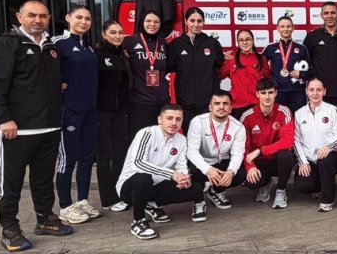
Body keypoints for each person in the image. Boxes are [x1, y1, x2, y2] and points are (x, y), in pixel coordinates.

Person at [0, 0, 74, 251]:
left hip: (49, 127)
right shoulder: (6, 44)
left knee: (43, 178)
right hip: (16, 130)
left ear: (49, 18)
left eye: (42, 16)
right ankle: (10, 228)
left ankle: (45, 218)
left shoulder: (50, 47)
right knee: (10, 182)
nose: (37, 20)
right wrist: (3, 118)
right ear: (20, 17)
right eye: (32, 15)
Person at [116, 104, 203, 240]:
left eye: (178, 119)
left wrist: (184, 178)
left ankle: (151, 205)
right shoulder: (147, 133)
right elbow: (138, 163)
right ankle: (138, 221)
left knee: (195, 188)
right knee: (144, 178)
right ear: (160, 119)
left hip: (156, 187)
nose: (174, 123)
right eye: (169, 118)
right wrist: (172, 174)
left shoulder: (181, 140)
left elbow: (181, 166)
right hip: (130, 187)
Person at [52, 6, 101, 225]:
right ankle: (65, 206)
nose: (83, 21)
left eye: (87, 18)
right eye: (79, 17)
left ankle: (82, 200)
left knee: (86, 158)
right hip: (69, 109)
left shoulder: (88, 46)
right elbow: (46, 69)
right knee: (67, 159)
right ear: (68, 18)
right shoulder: (58, 43)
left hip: (89, 109)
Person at [186, 91, 247, 221]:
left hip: (222, 161)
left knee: (241, 172)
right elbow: (191, 151)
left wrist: (230, 172)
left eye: (225, 104)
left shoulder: (238, 127)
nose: (221, 107)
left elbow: (237, 154)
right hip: (202, 162)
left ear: (230, 108)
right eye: (217, 103)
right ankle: (198, 201)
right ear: (210, 107)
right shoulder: (198, 122)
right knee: (193, 170)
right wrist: (208, 169)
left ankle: (216, 191)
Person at [240, 78, 298, 209]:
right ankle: (265, 183)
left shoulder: (284, 111)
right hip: (259, 161)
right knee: (251, 183)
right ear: (257, 94)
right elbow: (244, 147)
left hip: (277, 161)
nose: (267, 96)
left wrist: (261, 149)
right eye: (263, 93)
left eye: (270, 92)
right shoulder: (247, 116)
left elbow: (288, 142)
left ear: (276, 93)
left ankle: (281, 190)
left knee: (285, 155)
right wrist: (250, 167)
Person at [95, 19, 132, 212]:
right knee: (104, 155)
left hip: (120, 112)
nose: (117, 36)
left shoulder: (123, 55)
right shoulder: (97, 54)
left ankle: (120, 192)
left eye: (120, 32)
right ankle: (108, 199)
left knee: (120, 154)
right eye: (113, 32)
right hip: (101, 111)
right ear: (104, 34)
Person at [167, 6, 224, 129]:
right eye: (192, 20)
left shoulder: (212, 43)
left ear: (204, 22)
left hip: (208, 105)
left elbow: (222, 65)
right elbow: (167, 66)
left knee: (209, 138)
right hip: (185, 104)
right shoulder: (176, 44)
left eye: (199, 21)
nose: (196, 24)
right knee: (190, 137)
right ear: (186, 21)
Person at [294, 78, 337, 212]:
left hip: (331, 156)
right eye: (311, 90)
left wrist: (328, 147)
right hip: (310, 158)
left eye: (319, 90)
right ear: (306, 91)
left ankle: (328, 200)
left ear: (324, 91)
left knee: (325, 161)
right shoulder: (299, 113)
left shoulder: (333, 110)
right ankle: (320, 186)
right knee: (303, 186)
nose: (315, 93)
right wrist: (303, 162)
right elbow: (296, 140)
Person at [303, 2, 337, 120]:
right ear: (321, 15)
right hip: (319, 91)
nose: (329, 16)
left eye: (333, 12)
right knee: (318, 122)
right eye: (326, 13)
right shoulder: (313, 36)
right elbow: (305, 63)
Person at [123, 10, 171, 139]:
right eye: (148, 21)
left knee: (160, 139)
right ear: (142, 22)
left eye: (156, 22)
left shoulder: (163, 44)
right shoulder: (129, 41)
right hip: (139, 101)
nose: (152, 24)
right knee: (140, 139)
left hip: (162, 102)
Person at [220, 29, 271, 119]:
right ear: (238, 43)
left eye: (248, 39)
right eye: (241, 40)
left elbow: (269, 80)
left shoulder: (261, 59)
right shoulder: (231, 59)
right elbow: (218, 76)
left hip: (257, 105)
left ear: (253, 40)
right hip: (237, 106)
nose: (245, 43)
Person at [263, 16, 310, 112]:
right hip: (278, 92)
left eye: (288, 26)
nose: (285, 29)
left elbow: (311, 71)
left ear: (293, 28)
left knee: (298, 118)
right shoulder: (270, 48)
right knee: (279, 119)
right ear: (277, 28)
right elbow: (259, 65)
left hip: (297, 92)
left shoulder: (301, 48)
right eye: (282, 26)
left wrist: (301, 74)